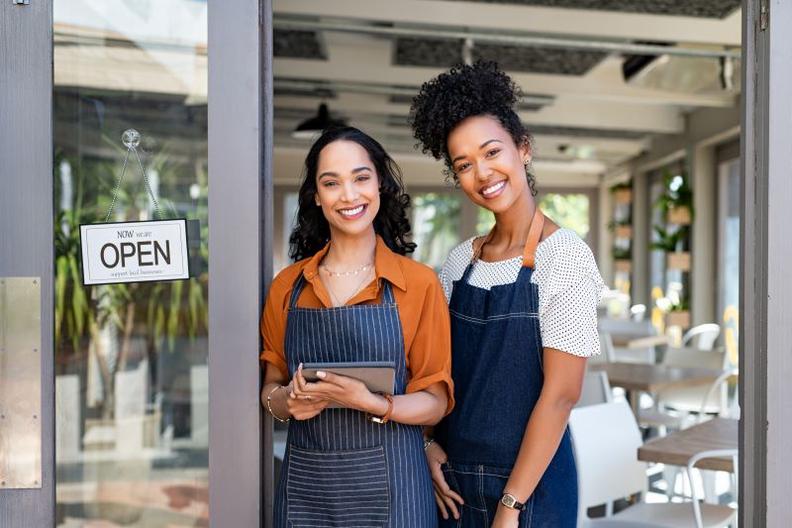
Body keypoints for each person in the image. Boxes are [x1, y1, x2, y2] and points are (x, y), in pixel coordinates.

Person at [410, 61, 604, 528]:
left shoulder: (566, 258)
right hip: (451, 487)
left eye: (492, 151)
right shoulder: (459, 263)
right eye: (463, 164)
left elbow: (561, 396)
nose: (482, 172)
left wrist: (510, 505)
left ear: (524, 149)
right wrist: (428, 443)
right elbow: (436, 373)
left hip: (530, 492)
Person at [260, 126, 453, 528]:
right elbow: (271, 387)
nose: (349, 195)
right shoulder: (287, 286)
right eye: (332, 183)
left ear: (380, 183)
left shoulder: (417, 284)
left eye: (361, 178)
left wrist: (373, 403)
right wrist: (287, 403)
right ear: (317, 195)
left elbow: (435, 398)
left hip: (397, 490)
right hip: (307, 493)